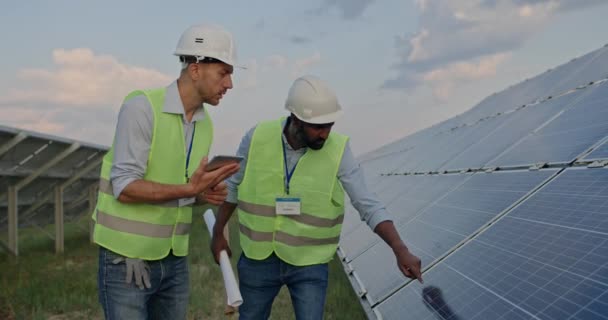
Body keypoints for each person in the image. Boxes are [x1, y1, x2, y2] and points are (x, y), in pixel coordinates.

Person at [211, 75, 423, 320]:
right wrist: (218, 233)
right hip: (258, 259)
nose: (325, 134)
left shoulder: (338, 149)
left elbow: (366, 202)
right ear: (295, 119)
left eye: (329, 125)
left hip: (309, 264)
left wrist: (400, 249)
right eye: (317, 127)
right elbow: (233, 188)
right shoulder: (256, 137)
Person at [92, 24, 242, 320]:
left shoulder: (204, 124)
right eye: (223, 73)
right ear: (196, 69)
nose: (230, 85)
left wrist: (202, 193)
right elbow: (124, 186)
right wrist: (190, 190)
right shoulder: (142, 107)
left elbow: (181, 191)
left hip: (173, 260)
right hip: (127, 260)